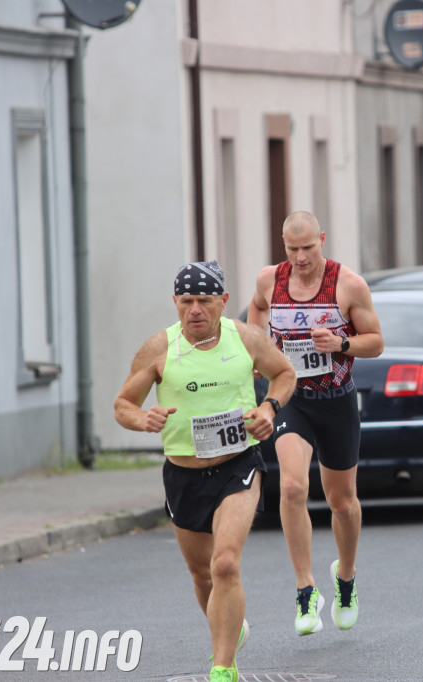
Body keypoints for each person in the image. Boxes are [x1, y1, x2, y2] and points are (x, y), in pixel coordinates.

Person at [114, 261, 297, 682]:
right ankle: (231, 629)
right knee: (202, 576)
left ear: (223, 302)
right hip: (183, 474)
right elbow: (123, 403)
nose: (195, 310)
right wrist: (142, 419)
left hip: (238, 465)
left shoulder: (246, 338)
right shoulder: (159, 348)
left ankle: (223, 666)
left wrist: (270, 407)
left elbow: (285, 373)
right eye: (186, 301)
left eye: (204, 300)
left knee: (226, 564)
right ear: (176, 303)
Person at [248, 211, 384, 637]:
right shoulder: (270, 279)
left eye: (309, 247)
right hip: (292, 399)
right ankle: (305, 587)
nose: (301, 257)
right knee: (291, 486)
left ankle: (345, 577)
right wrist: (258, 348)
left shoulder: (348, 284)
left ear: (322, 239)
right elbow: (255, 309)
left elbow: (376, 342)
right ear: (283, 246)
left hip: (337, 401)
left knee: (342, 502)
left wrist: (342, 342)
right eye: (293, 249)